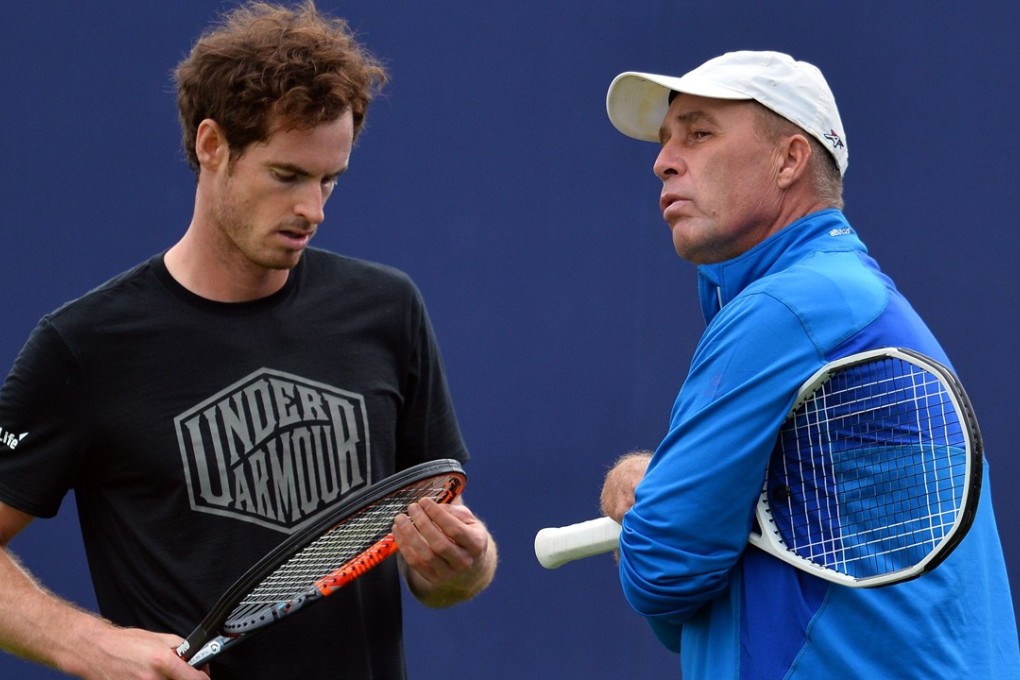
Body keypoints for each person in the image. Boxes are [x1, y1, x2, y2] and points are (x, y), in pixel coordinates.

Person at [0, 2, 497, 678]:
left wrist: (464, 565)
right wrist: (85, 644)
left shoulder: (386, 309)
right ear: (212, 146)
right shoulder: (84, 346)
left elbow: (442, 566)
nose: (313, 210)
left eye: (330, 180)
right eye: (287, 175)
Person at [598, 50, 1019, 678]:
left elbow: (664, 575)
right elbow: (699, 612)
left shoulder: (790, 309)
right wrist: (659, 507)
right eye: (665, 141)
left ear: (789, 159)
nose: (663, 161)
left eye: (700, 132)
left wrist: (649, 505)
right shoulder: (841, 300)